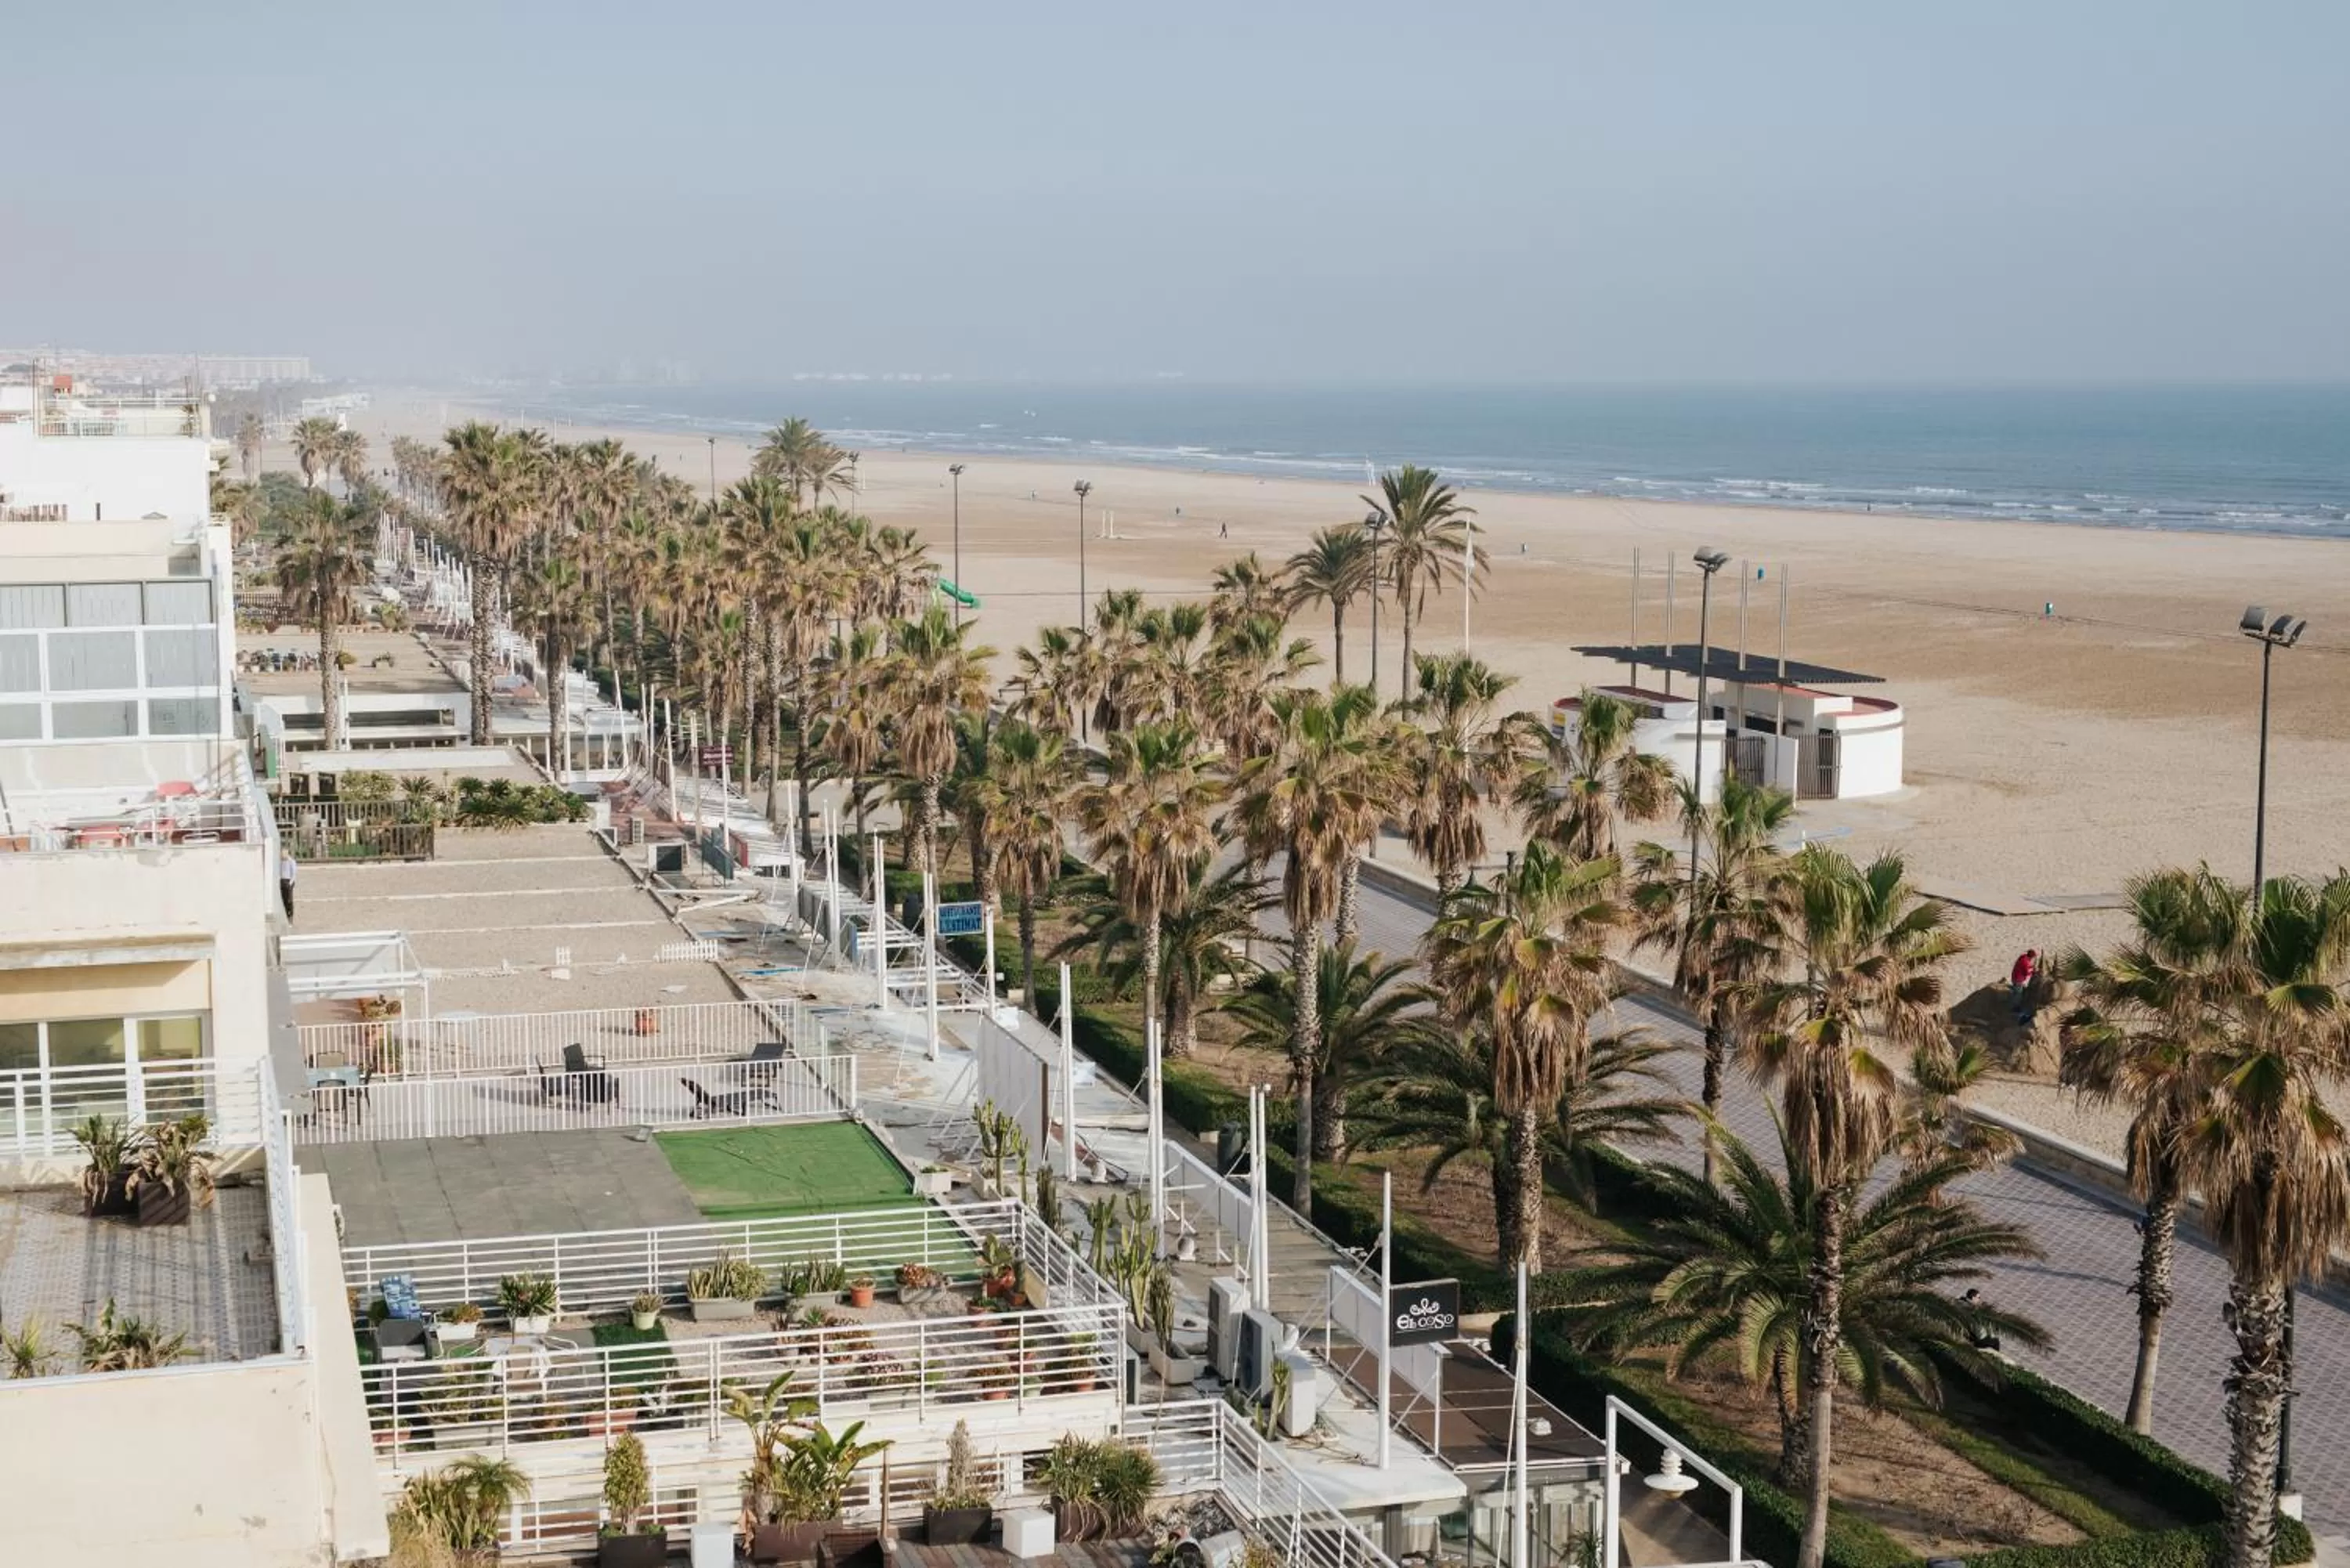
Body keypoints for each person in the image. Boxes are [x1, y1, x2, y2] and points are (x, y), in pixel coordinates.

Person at [1961, 1288, 2003, 1353]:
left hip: (1972, 1333)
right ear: (1973, 1298)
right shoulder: (1972, 1309)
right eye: (1979, 1298)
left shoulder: (1964, 1303)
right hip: (1977, 1338)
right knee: (1995, 1341)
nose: (1979, 1300)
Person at [2009, 949, 2038, 1022]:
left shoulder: (2023, 958)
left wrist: (2031, 967)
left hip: (2015, 978)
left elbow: (2027, 967)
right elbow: (2027, 973)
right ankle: (2015, 1009)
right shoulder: (2025, 962)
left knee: (2017, 992)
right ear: (2031, 957)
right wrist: (2033, 972)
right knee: (2018, 994)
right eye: (2033, 957)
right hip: (2018, 980)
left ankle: (2015, 1006)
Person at [279, 847, 298, 920]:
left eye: (283, 854)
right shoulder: (281, 862)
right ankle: (286, 914)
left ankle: (291, 915)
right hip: (282, 881)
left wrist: (290, 884)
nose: (282, 855)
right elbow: (280, 872)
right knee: (283, 899)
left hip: (289, 881)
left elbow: (294, 874)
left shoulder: (291, 861)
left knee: (289, 899)